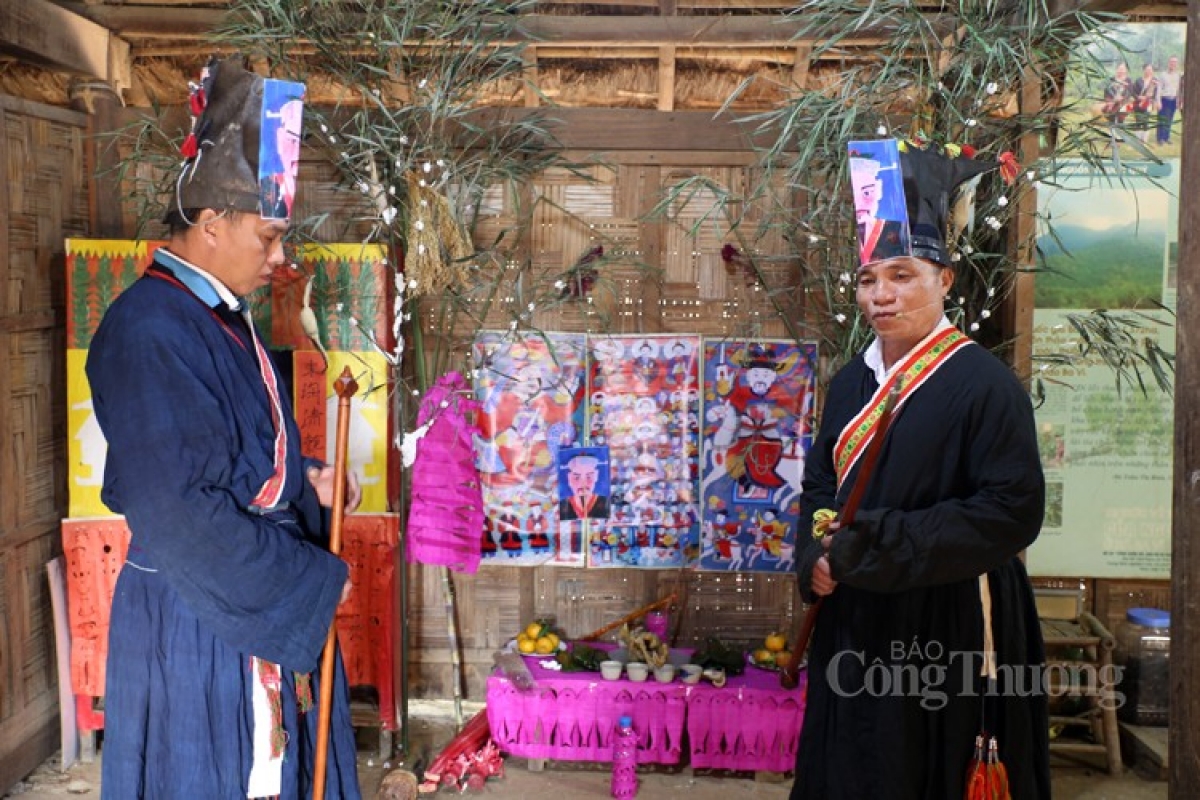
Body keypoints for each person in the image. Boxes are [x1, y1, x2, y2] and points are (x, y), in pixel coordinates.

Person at [87, 56, 364, 799]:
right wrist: (308, 576)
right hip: (201, 613)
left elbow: (235, 461)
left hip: (233, 597)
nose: (279, 259)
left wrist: (302, 484)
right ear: (211, 223)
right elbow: (178, 511)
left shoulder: (213, 315)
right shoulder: (149, 328)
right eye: (268, 237)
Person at [791, 141, 1050, 800]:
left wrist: (875, 547)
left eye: (902, 275)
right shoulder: (850, 383)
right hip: (853, 611)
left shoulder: (984, 385)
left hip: (950, 619)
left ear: (945, 280)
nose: (882, 294)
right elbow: (821, 485)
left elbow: (1010, 511)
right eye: (869, 279)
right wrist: (815, 556)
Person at [850, 154, 906, 264]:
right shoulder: (858, 227)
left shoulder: (892, 221)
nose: (860, 203)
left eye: (867, 193)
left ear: (879, 189)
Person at [559, 451, 610, 521]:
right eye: (576, 478)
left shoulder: (605, 503)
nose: (583, 483)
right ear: (569, 478)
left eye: (589, 477)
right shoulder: (562, 506)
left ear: (596, 476)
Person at [1156, 55, 1182, 145]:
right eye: (1171, 62)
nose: (1173, 64)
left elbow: (1178, 90)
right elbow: (1159, 89)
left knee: (1169, 120)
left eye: (1175, 62)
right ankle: (1160, 139)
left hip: (1173, 100)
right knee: (1162, 119)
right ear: (1168, 63)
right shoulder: (1163, 75)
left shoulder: (1178, 76)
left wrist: (1178, 101)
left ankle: (1166, 137)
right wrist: (1158, 101)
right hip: (1164, 99)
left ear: (1177, 64)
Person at [1131, 63, 1160, 143]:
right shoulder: (1138, 80)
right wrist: (1138, 97)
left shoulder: (1154, 81)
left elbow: (1156, 93)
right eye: (1147, 70)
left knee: (1145, 121)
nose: (1148, 71)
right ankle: (1137, 139)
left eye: (1150, 70)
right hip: (1138, 103)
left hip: (1148, 104)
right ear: (1143, 70)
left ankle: (1144, 139)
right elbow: (1133, 92)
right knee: (1138, 121)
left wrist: (1154, 102)